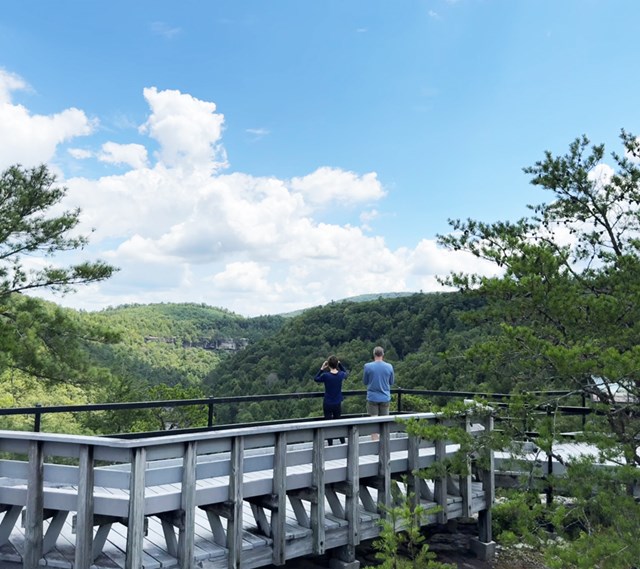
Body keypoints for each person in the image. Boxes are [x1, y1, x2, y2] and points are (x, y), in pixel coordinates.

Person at [363, 346, 394, 441]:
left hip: (372, 397)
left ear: (374, 354)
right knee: (384, 422)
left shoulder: (367, 366)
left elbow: (365, 381)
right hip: (385, 397)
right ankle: (384, 444)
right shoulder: (389, 366)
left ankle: (375, 444)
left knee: (374, 422)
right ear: (383, 355)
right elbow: (391, 382)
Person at [314, 355, 348, 445]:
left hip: (327, 402)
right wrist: (340, 365)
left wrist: (321, 369)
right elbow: (346, 373)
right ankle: (342, 442)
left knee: (328, 424)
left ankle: (330, 444)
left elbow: (316, 378)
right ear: (336, 364)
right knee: (338, 423)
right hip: (337, 403)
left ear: (328, 365)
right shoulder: (340, 375)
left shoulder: (326, 376)